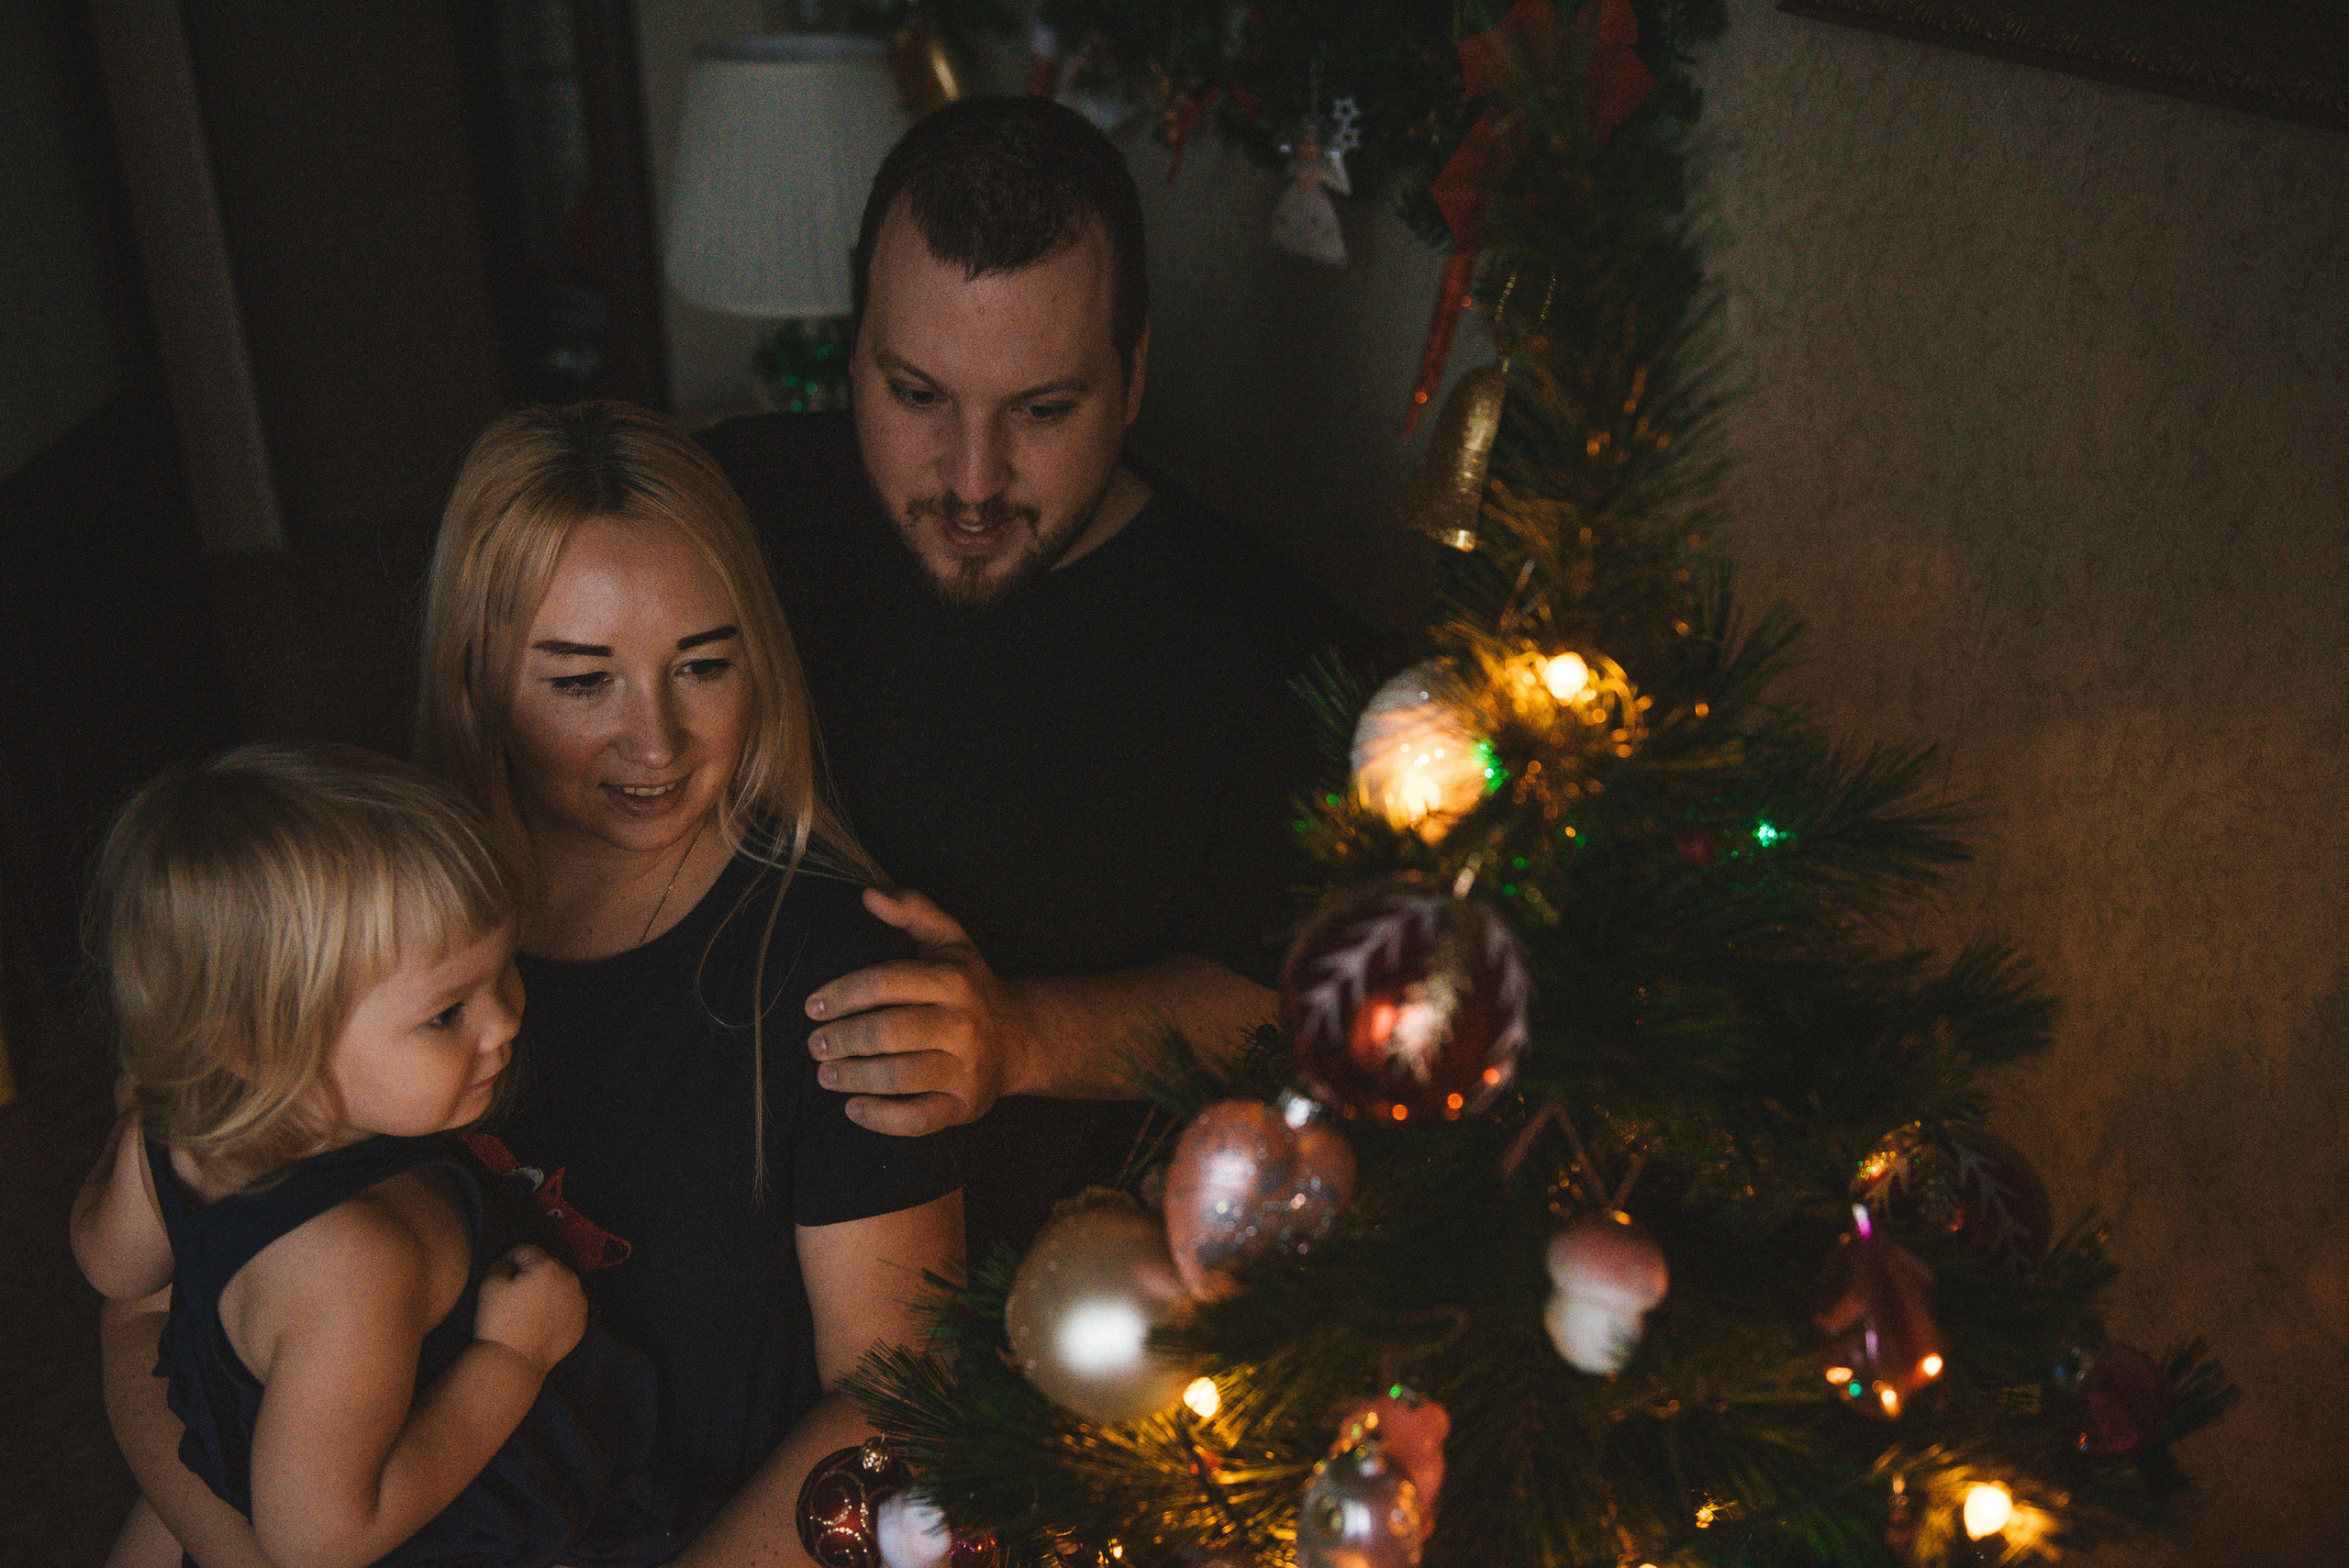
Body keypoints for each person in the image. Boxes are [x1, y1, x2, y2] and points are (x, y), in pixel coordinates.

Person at [100, 403, 963, 1568]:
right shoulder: (334, 923)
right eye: (581, 681)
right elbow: (150, 1312)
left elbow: (900, 1401)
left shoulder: (834, 969)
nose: (654, 742)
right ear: (477, 673)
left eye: (703, 665)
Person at [697, 95, 1373, 1263]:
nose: (971, 480)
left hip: (1028, 1301)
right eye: (914, 395)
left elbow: (1293, 1003)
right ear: (852, 345)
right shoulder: (725, 512)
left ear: (1135, 371)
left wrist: (1020, 1035)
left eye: (1042, 410)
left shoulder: (1275, 654)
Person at [72, 741, 678, 1568]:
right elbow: (320, 1538)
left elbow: (112, 1268)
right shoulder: (357, 1263)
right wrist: (512, 1356)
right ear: (256, 1044)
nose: (504, 1022)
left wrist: (137, 1117)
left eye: (505, 970)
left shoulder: (175, 1125)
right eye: (446, 1013)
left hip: (229, 1460)